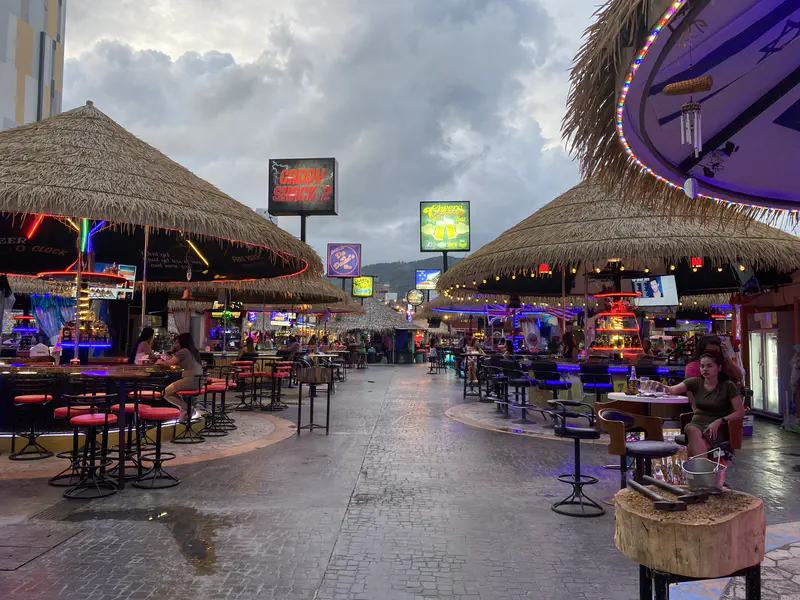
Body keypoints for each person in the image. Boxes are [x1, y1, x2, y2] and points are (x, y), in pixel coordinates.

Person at [656, 352, 745, 458]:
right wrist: (659, 385)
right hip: (697, 423)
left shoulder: (728, 386)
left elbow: (740, 412)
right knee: (691, 429)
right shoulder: (696, 382)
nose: (705, 369)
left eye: (709, 366)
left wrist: (719, 421)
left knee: (692, 447)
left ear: (719, 368)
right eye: (702, 366)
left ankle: (698, 472)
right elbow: (673, 390)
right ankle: (704, 471)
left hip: (717, 426)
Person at [159, 333, 205, 421]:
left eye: (177, 343)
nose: (175, 345)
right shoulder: (193, 351)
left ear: (183, 342)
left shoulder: (183, 351)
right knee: (173, 392)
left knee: (165, 393)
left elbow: (167, 364)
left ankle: (188, 408)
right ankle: (184, 410)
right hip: (198, 381)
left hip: (190, 380)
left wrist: (160, 361)